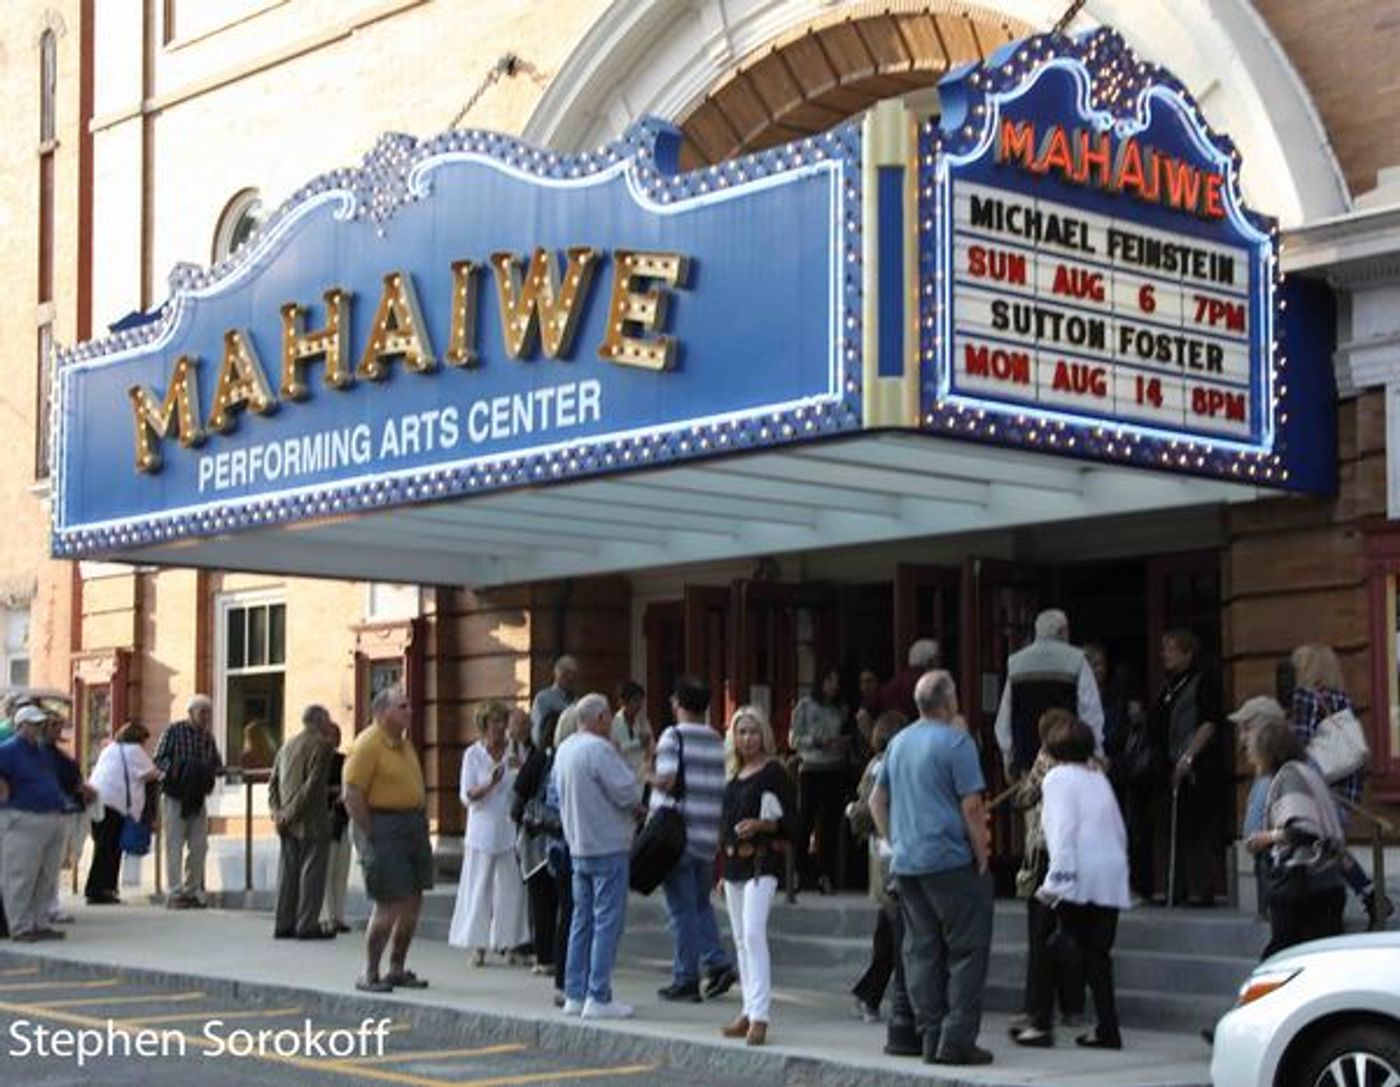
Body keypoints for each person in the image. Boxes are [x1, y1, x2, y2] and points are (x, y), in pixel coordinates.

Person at [871, 671, 993, 1067]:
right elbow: (972, 807)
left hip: (908, 862)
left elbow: (877, 800)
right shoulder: (957, 742)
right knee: (967, 949)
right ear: (948, 701)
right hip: (950, 858)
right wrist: (983, 853)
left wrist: (894, 840)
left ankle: (930, 1035)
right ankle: (957, 1039)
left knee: (920, 950)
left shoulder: (899, 742)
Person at [1014, 714, 1129, 1050]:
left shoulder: (1058, 778)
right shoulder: (1098, 778)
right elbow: (1118, 830)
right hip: (1110, 875)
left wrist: (1055, 883)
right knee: (1097, 956)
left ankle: (1039, 1023)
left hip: (1076, 874)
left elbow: (1060, 832)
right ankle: (1108, 1027)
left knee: (1050, 945)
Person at [553, 692, 643, 1019]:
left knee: (582, 920)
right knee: (607, 922)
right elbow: (628, 791)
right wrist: (620, 758)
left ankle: (574, 992)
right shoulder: (600, 750)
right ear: (601, 718)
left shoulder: (564, 750)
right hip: (608, 843)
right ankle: (598, 994)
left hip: (578, 845)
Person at [1288, 643, 1390, 926]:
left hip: (1320, 785)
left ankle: (1346, 906)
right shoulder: (1341, 699)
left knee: (1318, 848)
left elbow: (1299, 743)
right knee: (1331, 847)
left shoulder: (1305, 697)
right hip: (1345, 785)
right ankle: (1371, 897)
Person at [652, 675, 738, 1003]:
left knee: (681, 911)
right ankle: (716, 962)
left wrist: (644, 774)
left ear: (678, 704)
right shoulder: (717, 739)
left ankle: (686, 977)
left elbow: (669, 781)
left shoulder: (672, 737)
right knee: (700, 905)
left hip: (677, 835)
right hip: (706, 834)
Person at [343, 686, 433, 993]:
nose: (410, 711)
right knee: (389, 903)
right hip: (384, 825)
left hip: (412, 825)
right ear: (382, 713)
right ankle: (370, 972)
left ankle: (397, 967)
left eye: (408, 705)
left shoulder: (405, 745)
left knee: (412, 900)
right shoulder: (368, 744)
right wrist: (371, 832)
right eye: (402, 706)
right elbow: (351, 793)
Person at [718, 705, 797, 1047]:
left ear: (763, 734)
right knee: (738, 939)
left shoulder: (775, 772)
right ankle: (748, 1009)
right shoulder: (733, 774)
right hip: (734, 863)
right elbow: (723, 828)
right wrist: (720, 871)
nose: (747, 738)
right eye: (741, 731)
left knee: (753, 934)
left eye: (752, 731)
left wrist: (765, 825)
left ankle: (761, 1015)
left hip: (761, 862)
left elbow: (794, 822)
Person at [1008, 709, 1085, 1040]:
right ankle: (1072, 1006)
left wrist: (1022, 784)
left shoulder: (1046, 760)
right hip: (1078, 854)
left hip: (1045, 852)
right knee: (1072, 932)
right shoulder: (1087, 763)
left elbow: (1024, 798)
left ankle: (1037, 1006)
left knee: (1040, 933)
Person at [1245, 718, 1347, 958]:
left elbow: (1302, 831)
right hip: (1326, 882)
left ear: (1267, 751)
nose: (1249, 755)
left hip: (1302, 887)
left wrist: (1265, 838)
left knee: (1280, 960)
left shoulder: (1289, 777)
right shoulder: (1306, 773)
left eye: (1252, 749)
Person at [449, 702, 529, 965]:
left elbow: (524, 788)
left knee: (511, 891)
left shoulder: (514, 752)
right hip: (482, 830)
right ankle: (478, 946)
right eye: (494, 721)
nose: (500, 727)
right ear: (484, 724)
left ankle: (511, 945)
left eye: (502, 721)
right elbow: (467, 795)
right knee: (479, 888)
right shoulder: (473, 754)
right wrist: (490, 783)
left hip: (508, 829)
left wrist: (521, 769)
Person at [1155, 629, 1225, 906]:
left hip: (1197, 766)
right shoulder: (1169, 686)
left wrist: (1188, 757)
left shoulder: (1203, 681)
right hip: (1169, 763)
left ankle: (1201, 888)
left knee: (1197, 828)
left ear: (1188, 653)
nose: (1165, 655)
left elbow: (1209, 723)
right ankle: (1176, 886)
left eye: (1172, 649)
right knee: (1174, 826)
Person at [993, 609, 1104, 779]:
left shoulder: (1016, 664)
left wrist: (1008, 759)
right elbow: (1090, 714)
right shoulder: (1077, 661)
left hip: (1028, 765)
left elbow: (1004, 720)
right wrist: (1096, 754)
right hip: (1069, 762)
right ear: (1063, 631)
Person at [848, 709, 905, 1023]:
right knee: (895, 928)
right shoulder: (885, 766)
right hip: (891, 852)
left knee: (889, 928)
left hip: (884, 852)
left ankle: (869, 992)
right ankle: (872, 993)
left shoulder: (876, 765)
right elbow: (868, 808)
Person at [0, 706, 70, 941]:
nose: (38, 729)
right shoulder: (8, 750)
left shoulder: (41, 751)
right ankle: (19, 926)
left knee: (46, 876)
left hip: (51, 816)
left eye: (40, 724)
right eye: (33, 724)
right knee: (20, 875)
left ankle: (39, 922)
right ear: (20, 726)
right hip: (23, 817)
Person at [269, 704, 336, 941]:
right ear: (320, 720)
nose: (330, 724)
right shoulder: (322, 745)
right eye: (328, 720)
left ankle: (283, 922)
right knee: (312, 873)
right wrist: (290, 813)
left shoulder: (286, 746)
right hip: (311, 819)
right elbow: (313, 786)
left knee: (287, 874)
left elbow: (273, 783)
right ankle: (307, 924)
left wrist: (278, 813)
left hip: (286, 822)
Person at [153, 694, 221, 909]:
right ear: (191, 712)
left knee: (199, 844)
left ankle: (192, 890)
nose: (206, 717)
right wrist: (176, 771)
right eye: (202, 712)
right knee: (174, 844)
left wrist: (209, 774)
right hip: (175, 795)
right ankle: (174, 892)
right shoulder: (174, 731)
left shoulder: (207, 738)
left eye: (208, 712)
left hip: (197, 796)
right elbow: (159, 759)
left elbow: (216, 763)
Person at [85, 721, 159, 905]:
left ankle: (99, 888)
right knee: (110, 849)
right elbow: (151, 774)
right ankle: (101, 890)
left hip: (97, 800)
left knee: (102, 847)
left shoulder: (110, 750)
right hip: (115, 804)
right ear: (138, 738)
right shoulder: (134, 751)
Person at [1228, 695, 1288, 917]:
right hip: (1266, 859)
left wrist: (1267, 837)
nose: (1242, 739)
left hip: (1281, 863)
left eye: (1246, 729)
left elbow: (1306, 825)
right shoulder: (1264, 766)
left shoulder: (1285, 769)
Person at [791, 666, 848, 895]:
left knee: (830, 823)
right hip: (811, 767)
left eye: (836, 681)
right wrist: (815, 740)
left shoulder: (841, 708)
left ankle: (826, 874)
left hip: (835, 767)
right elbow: (794, 738)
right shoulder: (805, 706)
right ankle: (798, 871)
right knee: (805, 820)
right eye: (829, 681)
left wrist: (841, 742)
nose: (833, 686)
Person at [513, 707, 560, 977]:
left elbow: (515, 803)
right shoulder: (545, 759)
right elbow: (516, 801)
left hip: (533, 838)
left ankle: (546, 956)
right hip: (546, 839)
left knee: (542, 900)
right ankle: (547, 955)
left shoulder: (537, 758)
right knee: (548, 900)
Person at [41, 712, 96, 925]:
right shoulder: (41, 753)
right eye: (53, 725)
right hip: (49, 811)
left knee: (56, 862)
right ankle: (47, 907)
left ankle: (50, 905)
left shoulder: (58, 753)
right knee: (46, 864)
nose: (57, 729)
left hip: (67, 810)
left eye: (59, 725)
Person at [320, 720, 353, 935]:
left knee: (342, 871)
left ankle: (339, 916)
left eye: (338, 735)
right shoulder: (317, 761)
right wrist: (335, 792)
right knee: (327, 870)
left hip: (344, 819)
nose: (336, 739)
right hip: (325, 819)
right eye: (332, 734)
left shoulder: (344, 760)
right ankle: (327, 917)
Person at [877, 640, 940, 721]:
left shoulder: (893, 683)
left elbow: (863, 713)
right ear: (930, 661)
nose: (939, 663)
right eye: (937, 659)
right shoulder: (927, 683)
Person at [611, 681, 653, 786]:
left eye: (641, 701)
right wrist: (637, 743)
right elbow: (615, 750)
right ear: (623, 702)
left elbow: (651, 745)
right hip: (621, 776)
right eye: (635, 701)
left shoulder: (643, 720)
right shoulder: (614, 723)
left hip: (642, 775)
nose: (639, 706)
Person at [531, 655, 579, 747]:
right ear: (557, 674)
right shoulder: (543, 699)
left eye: (573, 674)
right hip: (550, 750)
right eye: (566, 673)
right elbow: (537, 730)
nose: (570, 678)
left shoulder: (577, 701)